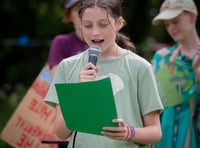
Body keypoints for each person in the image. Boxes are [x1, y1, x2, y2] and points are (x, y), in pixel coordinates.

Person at [45, 0, 163, 147]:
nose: (95, 32)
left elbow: (155, 132)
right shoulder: (66, 67)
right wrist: (81, 92)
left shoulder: (141, 67)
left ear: (118, 23)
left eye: (103, 24)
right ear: (80, 25)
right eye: (87, 25)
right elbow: (61, 133)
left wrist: (129, 132)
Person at [151, 0, 200, 147]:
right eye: (167, 24)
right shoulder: (161, 59)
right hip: (164, 141)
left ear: (192, 16)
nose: (171, 27)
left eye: (175, 21)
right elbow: (151, 104)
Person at [48, 0, 87, 77]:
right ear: (69, 15)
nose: (83, 13)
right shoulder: (62, 42)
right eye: (78, 9)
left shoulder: (109, 40)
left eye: (87, 7)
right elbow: (58, 81)